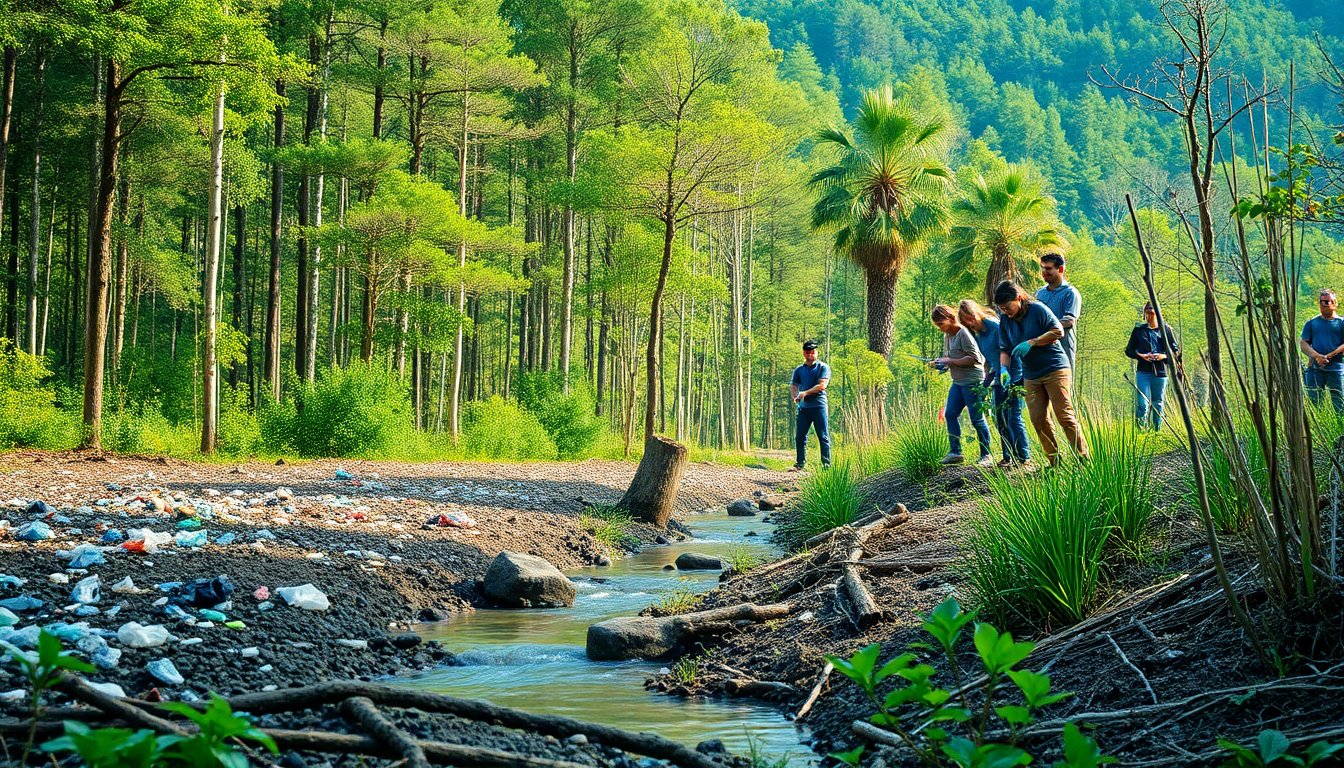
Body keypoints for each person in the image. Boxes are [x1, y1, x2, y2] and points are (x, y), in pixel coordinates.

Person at [994, 280, 1089, 466]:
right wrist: (1004, 369)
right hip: (1031, 374)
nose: (1005, 311)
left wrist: (1032, 342)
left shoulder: (1037, 309)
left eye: (1007, 307)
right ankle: (1054, 462)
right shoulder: (1005, 320)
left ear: (1019, 298)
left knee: (1064, 415)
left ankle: (1083, 458)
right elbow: (1004, 349)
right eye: (1001, 309)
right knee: (1038, 419)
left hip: (1055, 368)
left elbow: (1058, 330)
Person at [960, 299, 1031, 465]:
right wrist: (985, 380)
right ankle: (1008, 456)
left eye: (970, 319)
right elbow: (989, 359)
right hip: (998, 378)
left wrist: (1009, 374)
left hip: (1014, 375)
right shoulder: (977, 334)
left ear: (976, 314)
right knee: (1000, 418)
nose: (969, 324)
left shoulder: (995, 327)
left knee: (1013, 417)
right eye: (965, 323)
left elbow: (1009, 349)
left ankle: (1023, 456)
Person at [931, 305, 994, 466]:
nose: (940, 329)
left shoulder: (963, 333)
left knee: (976, 419)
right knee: (950, 414)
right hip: (958, 382)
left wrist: (950, 361)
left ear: (950, 318)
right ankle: (955, 452)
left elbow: (975, 359)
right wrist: (941, 364)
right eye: (937, 326)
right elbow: (952, 358)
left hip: (972, 381)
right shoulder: (948, 336)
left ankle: (986, 455)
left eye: (941, 324)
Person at [1125, 302, 1180, 430]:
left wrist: (1163, 356)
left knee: (1158, 403)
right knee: (1143, 404)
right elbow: (1129, 351)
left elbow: (1176, 352)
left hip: (1160, 372)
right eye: (1147, 313)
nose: (1149, 316)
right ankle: (1140, 431)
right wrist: (1141, 356)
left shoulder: (1166, 330)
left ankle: (1157, 430)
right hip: (1143, 372)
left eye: (1152, 313)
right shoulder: (1139, 330)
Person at [1035, 252, 1081, 370]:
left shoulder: (1070, 293)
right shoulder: (1040, 293)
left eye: (1048, 268)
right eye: (1043, 268)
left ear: (1060, 269)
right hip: (1041, 351)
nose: (1044, 272)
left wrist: (1047, 331)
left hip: (1063, 351)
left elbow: (1069, 321)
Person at [790, 339, 831, 470]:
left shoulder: (823, 367)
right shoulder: (799, 370)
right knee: (800, 436)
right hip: (804, 408)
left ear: (816, 352)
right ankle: (800, 463)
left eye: (812, 352)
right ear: (804, 353)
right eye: (808, 352)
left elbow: (822, 385)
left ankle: (826, 465)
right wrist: (796, 395)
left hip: (819, 407)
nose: (810, 354)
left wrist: (805, 393)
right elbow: (794, 384)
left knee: (823, 436)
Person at [1301, 289, 1344, 411]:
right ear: (1319, 303)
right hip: (1315, 370)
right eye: (1323, 302)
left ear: (1335, 303)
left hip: (1337, 370)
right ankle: (1317, 429)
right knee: (1315, 406)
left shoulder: (1341, 323)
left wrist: (1332, 354)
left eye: (1329, 301)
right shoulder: (1312, 323)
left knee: (1340, 405)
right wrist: (1317, 356)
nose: (1326, 304)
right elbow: (1303, 343)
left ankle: (1339, 428)